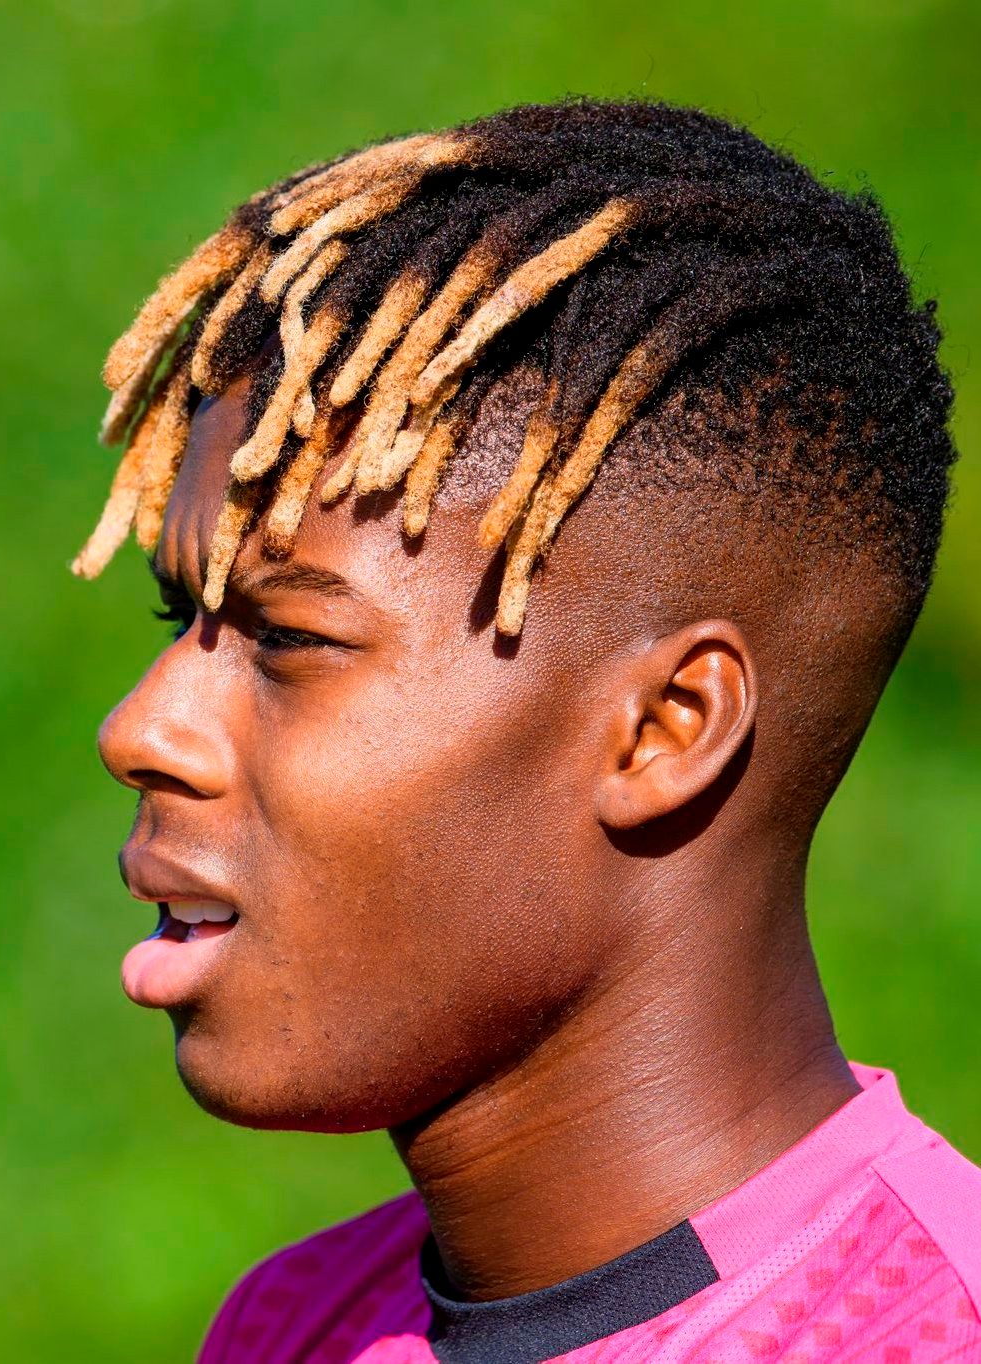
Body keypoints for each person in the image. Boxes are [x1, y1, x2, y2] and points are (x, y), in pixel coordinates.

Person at [75, 100, 978, 1363]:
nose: (143, 726)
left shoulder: (922, 1332)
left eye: (289, 638)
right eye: (182, 617)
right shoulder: (291, 1323)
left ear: (664, 729)